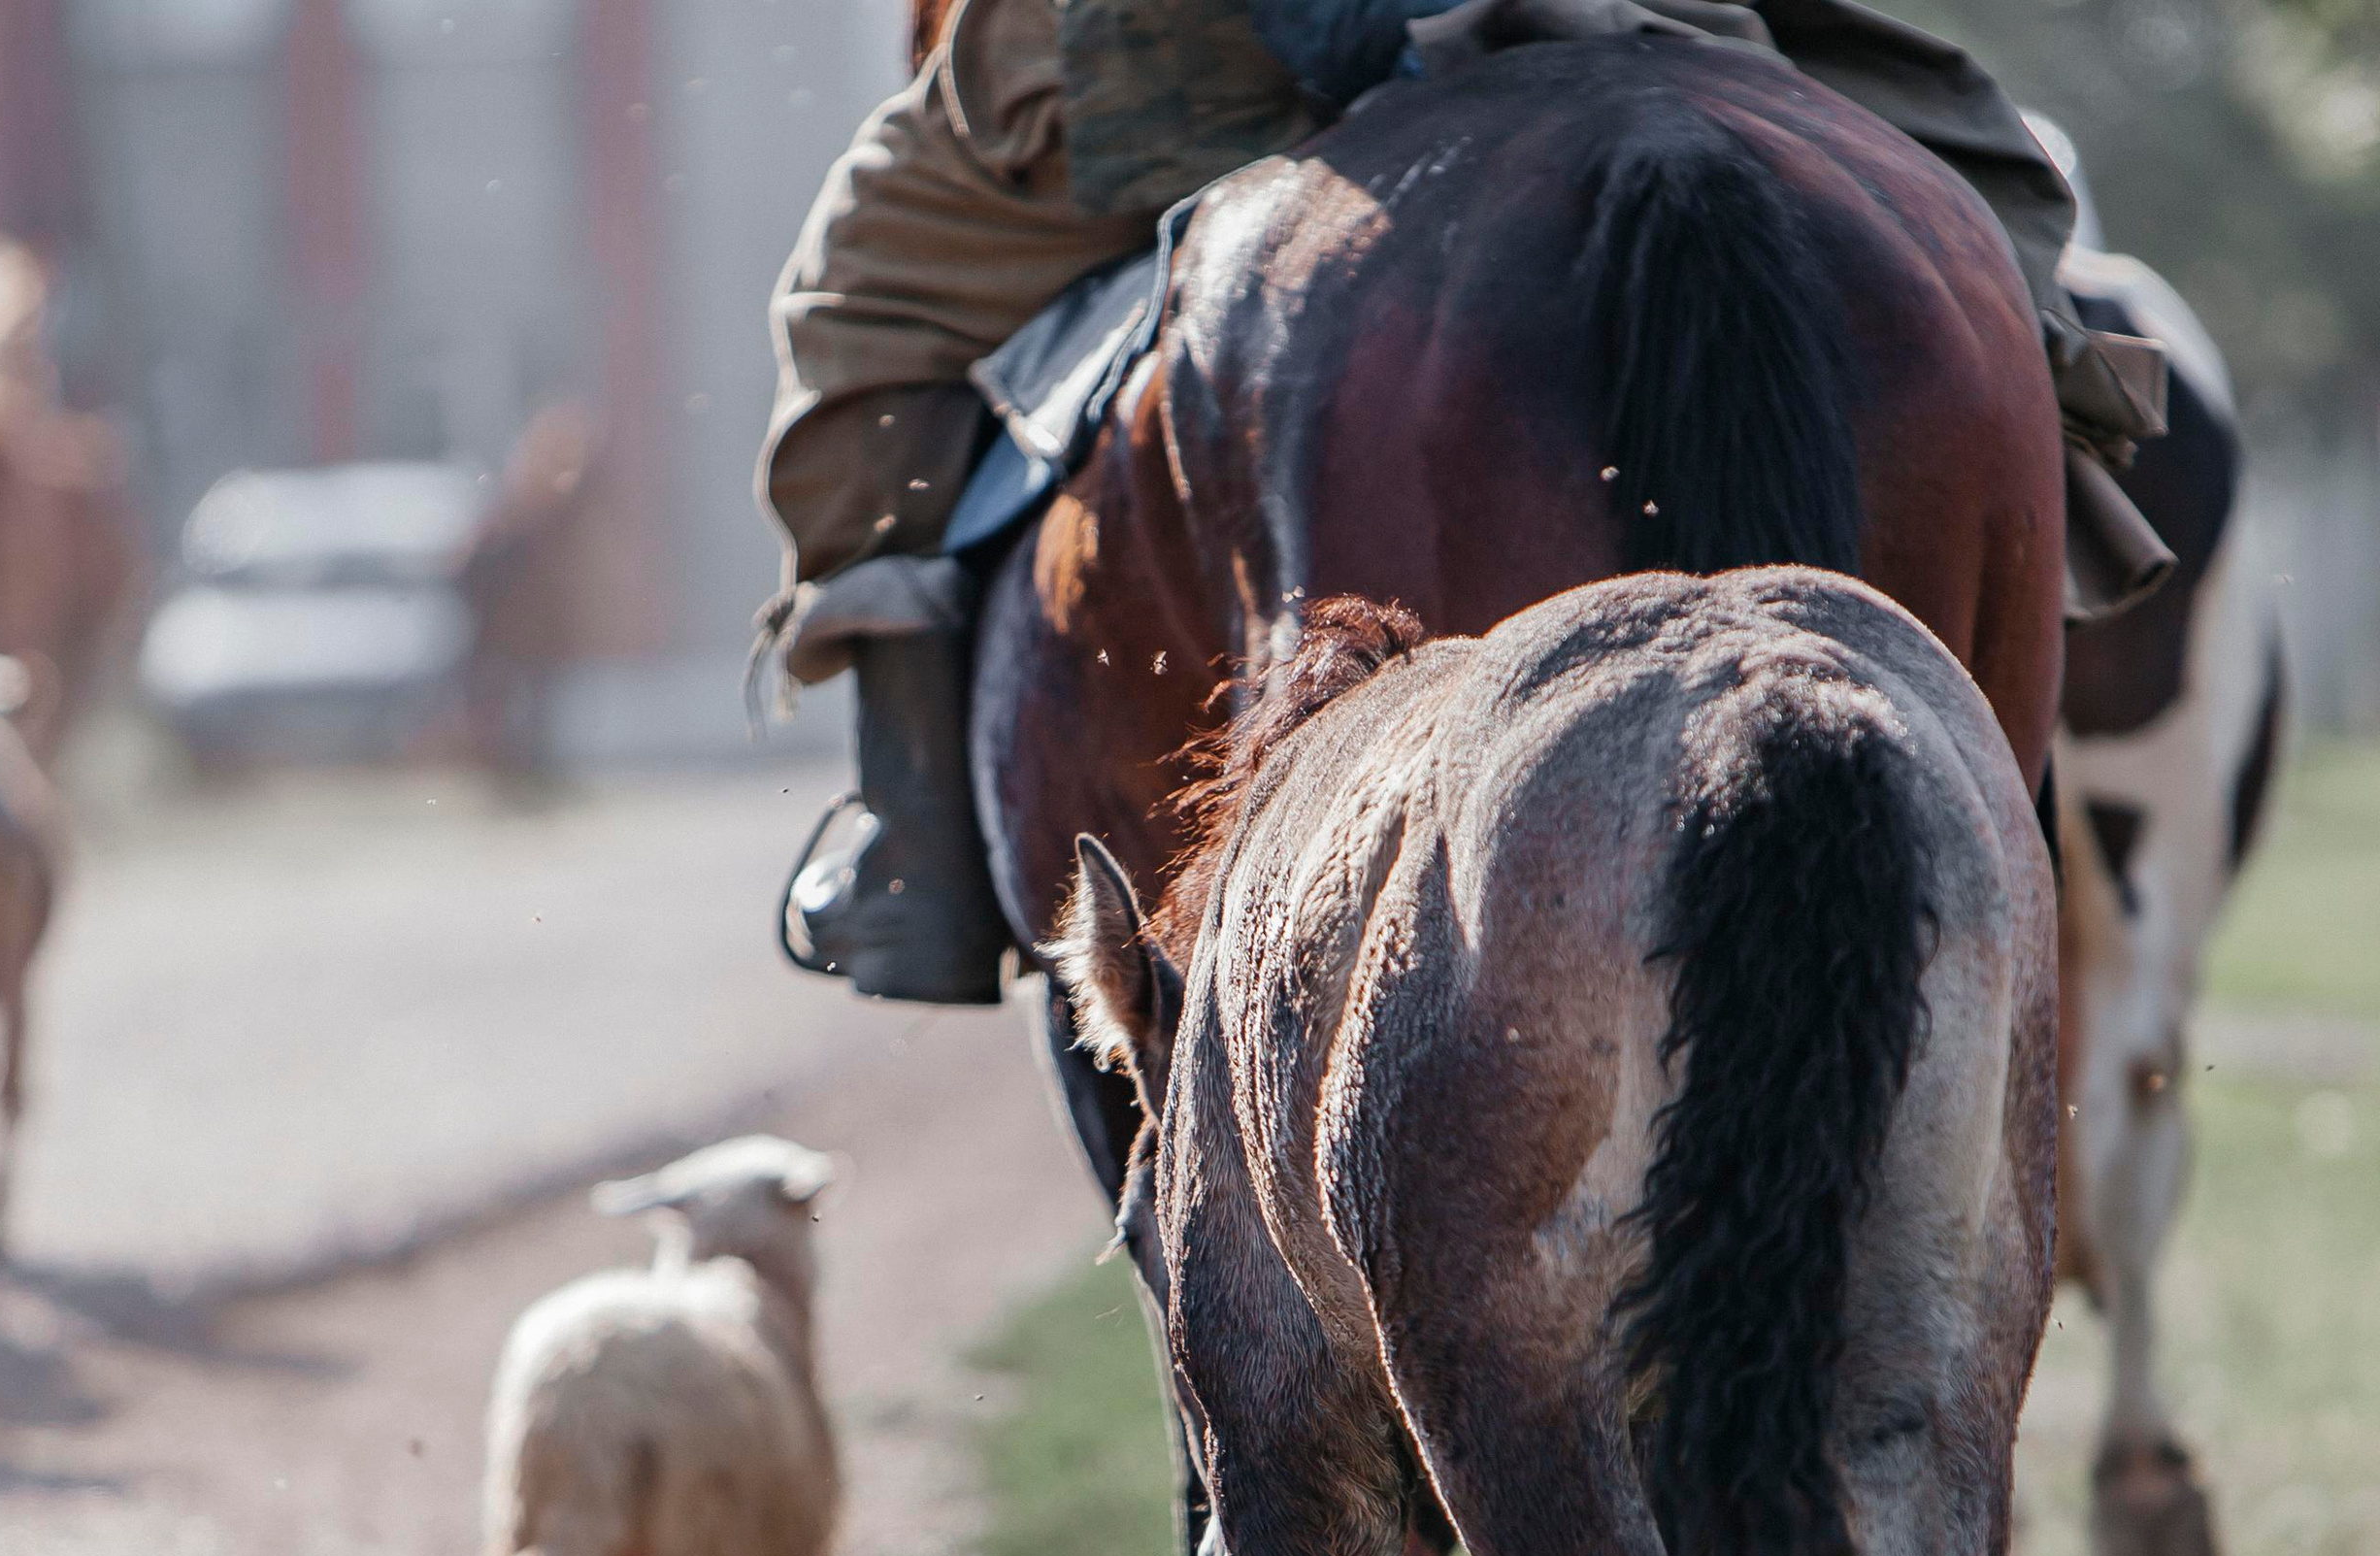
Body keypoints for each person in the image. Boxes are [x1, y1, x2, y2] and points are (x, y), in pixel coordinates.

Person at [756, 0, 2167, 1006]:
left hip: (1223, 43)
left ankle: (922, 850)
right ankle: (2045, 568)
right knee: (1976, 215)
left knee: (856, 306)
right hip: (1624, 12)